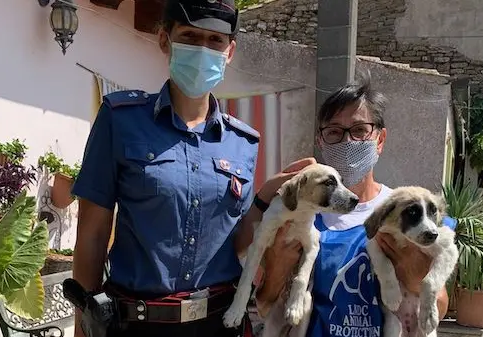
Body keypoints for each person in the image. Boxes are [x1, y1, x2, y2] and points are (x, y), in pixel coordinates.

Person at [71, 0, 315, 336]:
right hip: (137, 324)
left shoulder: (243, 143)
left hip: (219, 322)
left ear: (229, 52)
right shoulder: (120, 119)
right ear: (164, 40)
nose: (203, 49)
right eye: (189, 36)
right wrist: (83, 326)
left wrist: (264, 197)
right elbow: (92, 234)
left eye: (215, 41)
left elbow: (237, 242)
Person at [249, 75, 456, 337]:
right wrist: (278, 266)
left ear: (379, 140)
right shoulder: (304, 218)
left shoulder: (412, 214)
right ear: (321, 142)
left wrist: (411, 273)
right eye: (334, 132)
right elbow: (266, 306)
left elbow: (440, 306)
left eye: (359, 130)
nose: (348, 142)